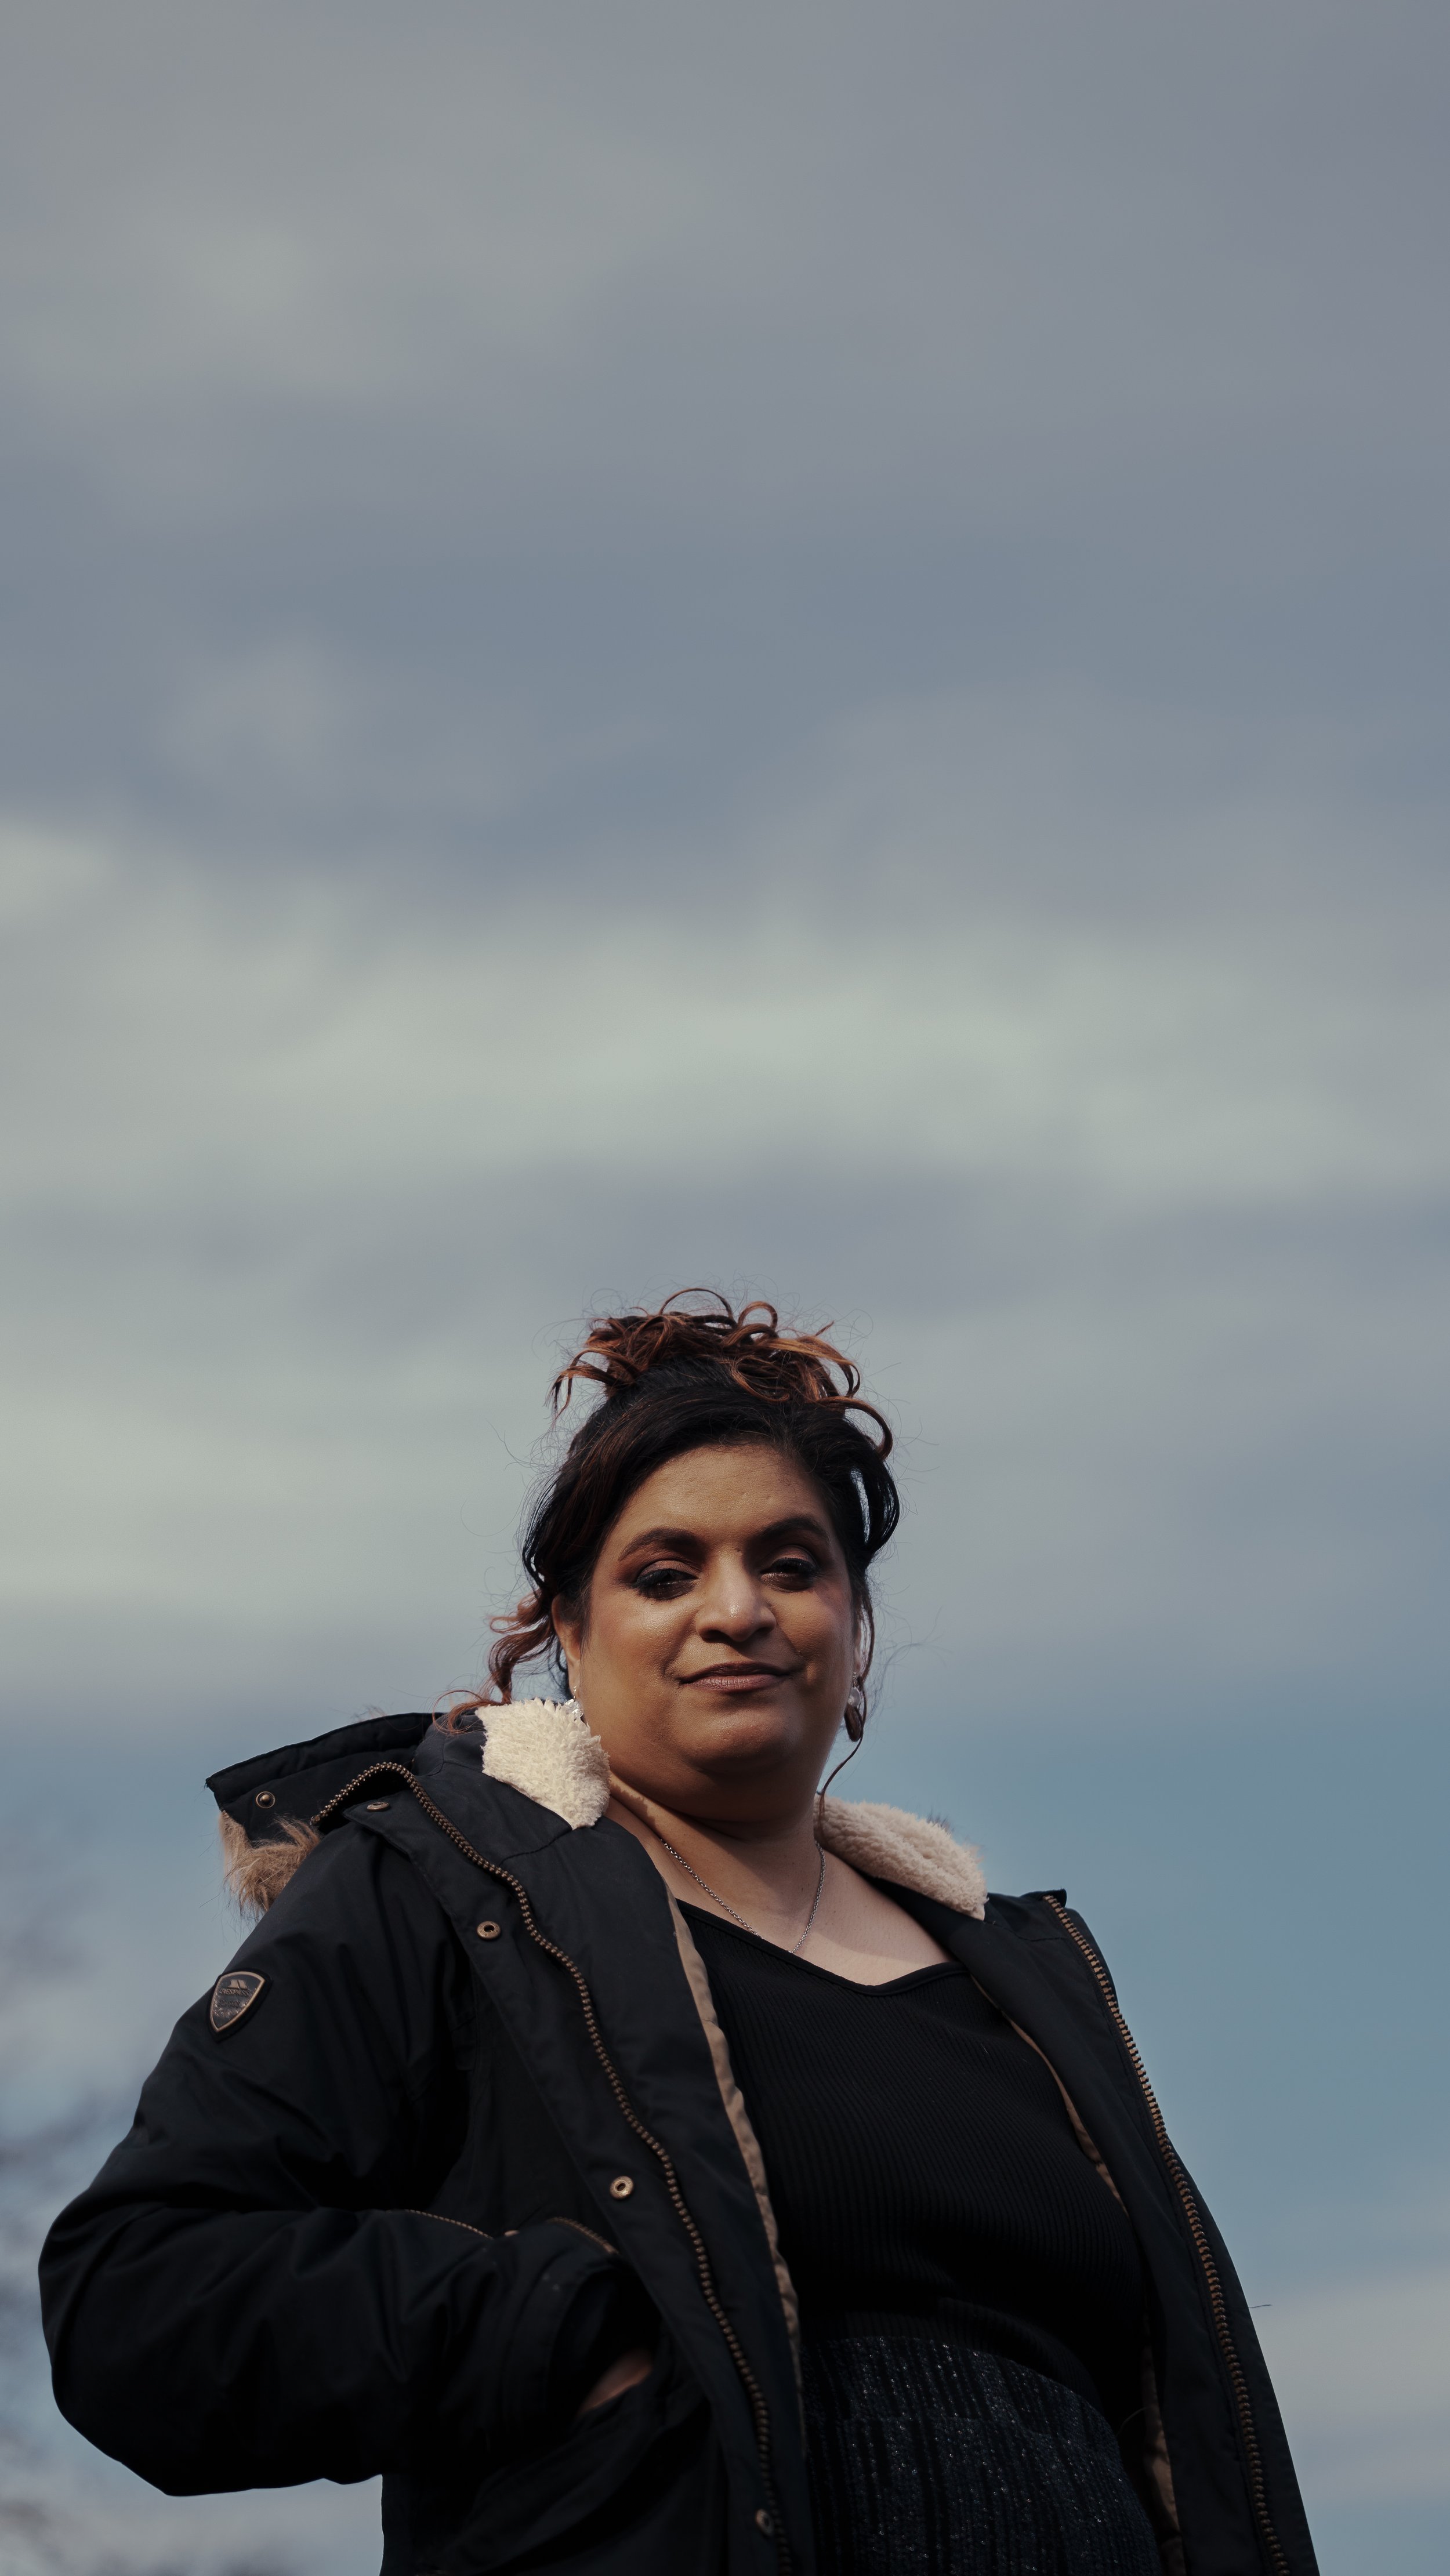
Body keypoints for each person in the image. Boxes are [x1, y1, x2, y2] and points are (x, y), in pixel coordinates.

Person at [41, 1293, 1318, 2576]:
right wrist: (560, 2324)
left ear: (854, 1629)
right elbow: (136, 2296)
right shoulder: (445, 1891)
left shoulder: (1028, 1975)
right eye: (665, 1575)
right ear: (568, 1634)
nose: (736, 1609)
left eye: (791, 1565)